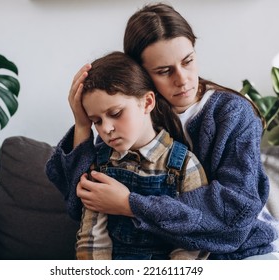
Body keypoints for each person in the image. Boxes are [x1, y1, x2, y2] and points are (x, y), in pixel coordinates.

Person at [46, 3, 279, 260]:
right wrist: (82, 124)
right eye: (164, 71)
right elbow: (78, 204)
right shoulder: (132, 122)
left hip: (247, 247)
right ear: (140, 75)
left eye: (188, 61)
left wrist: (129, 204)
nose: (183, 79)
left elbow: (235, 211)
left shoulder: (232, 113)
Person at [72, 51, 209, 260]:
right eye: (96, 121)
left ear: (147, 102)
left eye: (116, 113)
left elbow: (193, 241)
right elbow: (91, 239)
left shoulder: (184, 165)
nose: (106, 128)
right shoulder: (100, 165)